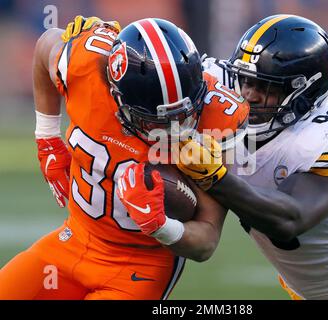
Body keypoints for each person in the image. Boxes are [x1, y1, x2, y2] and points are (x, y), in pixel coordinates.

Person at [0, 16, 249, 300]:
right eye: (156, 120)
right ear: (117, 96)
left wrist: (161, 226)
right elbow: (46, 45)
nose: (174, 128)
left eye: (183, 114)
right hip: (74, 240)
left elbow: (206, 242)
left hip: (141, 268)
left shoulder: (218, 117)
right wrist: (47, 138)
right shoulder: (86, 66)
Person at [176, 14, 328, 300]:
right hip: (307, 290)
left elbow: (290, 219)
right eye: (245, 79)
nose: (249, 94)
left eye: (267, 87)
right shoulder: (222, 83)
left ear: (306, 92)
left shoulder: (326, 136)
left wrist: (215, 177)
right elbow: (167, 66)